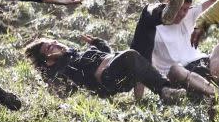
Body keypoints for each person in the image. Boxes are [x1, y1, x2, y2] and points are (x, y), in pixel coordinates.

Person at [24, 34, 188, 103]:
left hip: (118, 70)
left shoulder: (75, 54)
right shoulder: (61, 70)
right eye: (49, 49)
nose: (55, 44)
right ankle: (165, 90)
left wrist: (97, 43)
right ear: (47, 61)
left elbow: (107, 54)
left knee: (143, 50)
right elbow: (63, 92)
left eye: (53, 42)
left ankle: (174, 84)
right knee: (131, 55)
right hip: (110, 79)